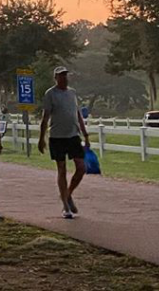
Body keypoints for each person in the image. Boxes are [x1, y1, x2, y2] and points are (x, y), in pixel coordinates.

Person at [38, 65, 91, 219]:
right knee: (62, 169)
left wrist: (85, 134)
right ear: (56, 78)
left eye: (66, 75)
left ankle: (67, 194)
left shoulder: (72, 93)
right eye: (61, 76)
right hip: (57, 137)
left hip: (73, 135)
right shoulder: (50, 94)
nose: (64, 78)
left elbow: (78, 114)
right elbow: (45, 117)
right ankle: (66, 206)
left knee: (81, 167)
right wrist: (42, 139)